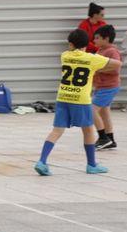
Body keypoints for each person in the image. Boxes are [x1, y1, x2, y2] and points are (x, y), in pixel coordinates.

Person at [34, 29, 119, 177]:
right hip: (81, 100)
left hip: (63, 97)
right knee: (88, 131)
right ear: (87, 44)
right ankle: (91, 165)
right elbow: (117, 64)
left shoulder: (64, 55)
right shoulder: (92, 59)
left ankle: (42, 161)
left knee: (56, 131)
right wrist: (99, 68)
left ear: (70, 44)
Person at [91, 26, 123, 150]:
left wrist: (98, 70)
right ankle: (110, 139)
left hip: (108, 87)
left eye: (97, 38)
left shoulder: (111, 51)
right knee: (104, 112)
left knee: (91, 110)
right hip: (101, 86)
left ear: (107, 39)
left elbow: (116, 68)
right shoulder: (100, 50)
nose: (95, 41)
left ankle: (103, 137)